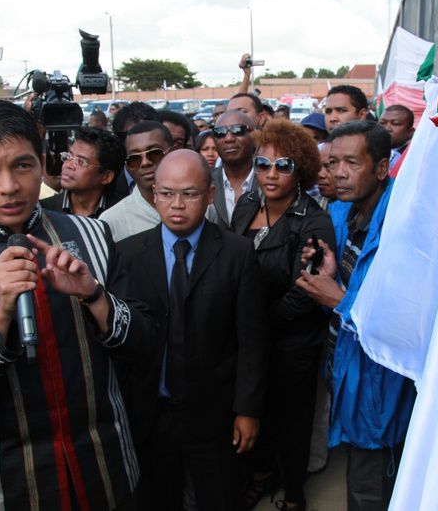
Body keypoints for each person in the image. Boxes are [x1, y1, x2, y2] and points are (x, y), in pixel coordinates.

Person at [0, 98, 154, 510]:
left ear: (42, 163)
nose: (8, 186)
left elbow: (145, 347)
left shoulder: (94, 236)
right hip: (8, 484)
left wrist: (95, 296)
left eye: (22, 165)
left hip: (105, 466)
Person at [117, 150, 269, 511]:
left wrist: (248, 410)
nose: (177, 204)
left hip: (215, 413)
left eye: (189, 193)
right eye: (167, 193)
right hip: (152, 414)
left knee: (219, 496)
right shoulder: (127, 253)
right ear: (154, 195)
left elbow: (253, 340)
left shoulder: (237, 253)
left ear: (210, 195)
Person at [296, 120, 415, 511]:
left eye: (352, 163)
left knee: (372, 486)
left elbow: (405, 319)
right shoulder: (344, 213)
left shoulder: (404, 223)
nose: (338, 174)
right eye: (332, 164)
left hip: (382, 383)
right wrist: (329, 276)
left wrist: (339, 300)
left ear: (381, 168)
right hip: (348, 369)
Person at [230, 120, 335, 511]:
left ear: (301, 169)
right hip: (249, 340)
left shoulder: (314, 220)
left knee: (291, 421)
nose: (271, 174)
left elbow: (306, 292)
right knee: (252, 410)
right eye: (262, 164)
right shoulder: (245, 206)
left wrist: (254, 325)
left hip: (293, 343)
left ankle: (293, 493)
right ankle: (260, 475)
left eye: (283, 165)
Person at [99, 121, 173, 242]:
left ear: (172, 152)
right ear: (127, 165)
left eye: (154, 153)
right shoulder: (111, 221)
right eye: (134, 158)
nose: (145, 163)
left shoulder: (202, 206)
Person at [40, 127, 127, 217]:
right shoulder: (43, 211)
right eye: (69, 156)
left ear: (106, 176)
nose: (68, 165)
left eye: (80, 161)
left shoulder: (122, 213)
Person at [208, 111, 258, 228]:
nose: (229, 138)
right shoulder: (204, 181)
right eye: (220, 133)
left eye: (237, 130)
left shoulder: (270, 179)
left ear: (254, 135)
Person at [378, 104, 416, 170]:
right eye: (382, 123)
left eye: (395, 123)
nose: (387, 128)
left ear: (410, 132)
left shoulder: (413, 157)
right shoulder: (371, 150)